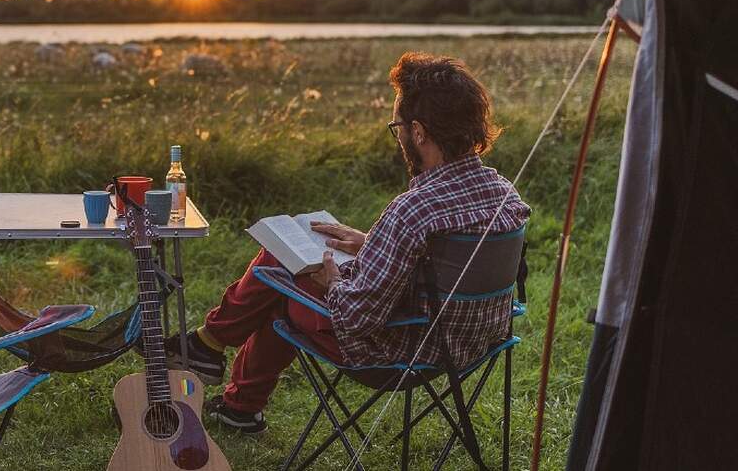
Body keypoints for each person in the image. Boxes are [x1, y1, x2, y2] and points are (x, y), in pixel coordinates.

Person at [167, 52, 531, 434]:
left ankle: (211, 350)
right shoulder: (503, 193)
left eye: (398, 127)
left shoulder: (414, 210)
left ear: (419, 132)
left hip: (396, 354)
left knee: (277, 275)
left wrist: (332, 282)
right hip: (470, 347)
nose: (400, 137)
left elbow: (356, 318)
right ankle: (233, 399)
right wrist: (370, 243)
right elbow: (445, 265)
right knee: (279, 288)